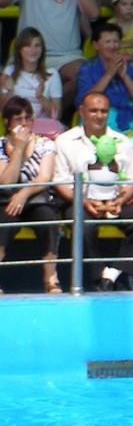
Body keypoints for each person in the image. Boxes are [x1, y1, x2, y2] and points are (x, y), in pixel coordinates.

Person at [52, 91, 133, 291]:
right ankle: (99, 276)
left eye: (104, 111)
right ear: (81, 112)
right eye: (93, 110)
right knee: (82, 225)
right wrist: (83, 201)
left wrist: (121, 201)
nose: (99, 115)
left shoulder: (122, 141)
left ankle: (117, 273)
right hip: (81, 201)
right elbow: (61, 182)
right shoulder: (65, 141)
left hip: (115, 200)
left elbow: (131, 180)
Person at [0, 0, 98, 108]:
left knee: (84, 73)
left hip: (66, 57)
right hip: (29, 54)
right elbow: (1, 0)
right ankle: (32, 113)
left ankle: (51, 115)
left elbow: (94, 14)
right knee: (7, 81)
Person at [0, 94, 62, 292]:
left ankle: (50, 277)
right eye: (18, 118)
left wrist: (24, 193)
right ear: (7, 122)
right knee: (4, 223)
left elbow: (44, 177)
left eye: (28, 118)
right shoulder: (1, 145)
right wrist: (18, 150)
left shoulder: (45, 144)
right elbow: (5, 182)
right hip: (5, 200)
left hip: (36, 198)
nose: (25, 123)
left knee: (49, 219)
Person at [74, 21, 133, 132]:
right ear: (96, 45)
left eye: (115, 42)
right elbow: (84, 101)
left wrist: (125, 77)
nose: (112, 46)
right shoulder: (87, 69)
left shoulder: (127, 67)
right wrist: (109, 74)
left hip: (127, 123)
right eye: (107, 42)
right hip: (97, 123)